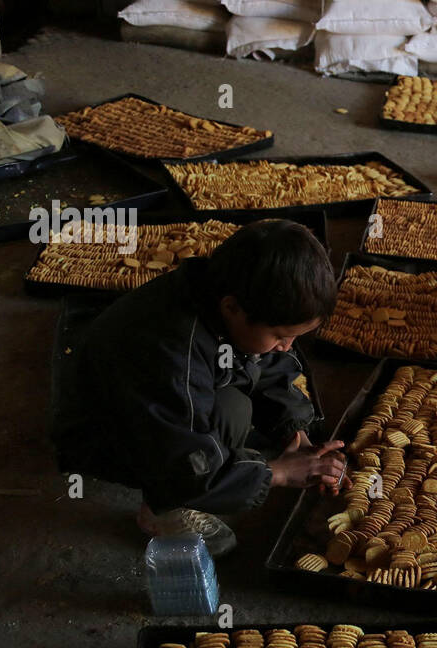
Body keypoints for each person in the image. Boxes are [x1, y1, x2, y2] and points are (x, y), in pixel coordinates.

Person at [51, 219, 349, 557]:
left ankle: (222, 467)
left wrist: (294, 433)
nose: (287, 346)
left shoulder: (222, 292)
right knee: (229, 419)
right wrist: (277, 473)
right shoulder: (173, 349)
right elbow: (183, 458)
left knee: (240, 401)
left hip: (160, 402)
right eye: (281, 335)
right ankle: (163, 507)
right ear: (232, 308)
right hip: (103, 435)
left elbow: (268, 367)